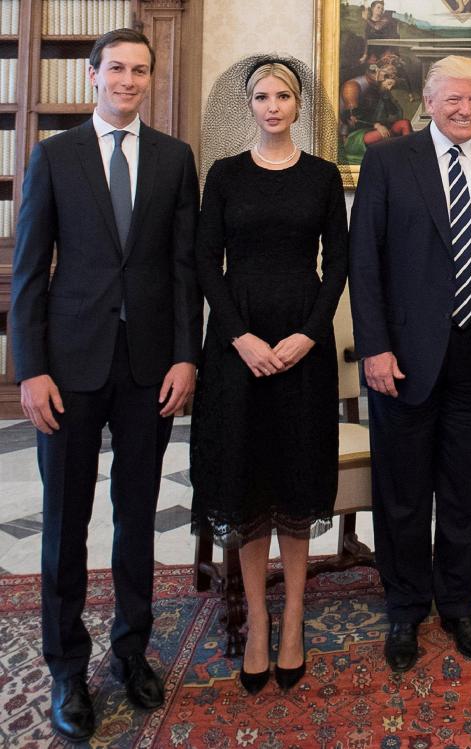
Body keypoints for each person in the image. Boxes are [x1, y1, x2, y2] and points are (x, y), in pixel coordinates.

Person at [10, 29, 201, 741]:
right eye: (115, 68)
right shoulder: (54, 157)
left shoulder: (175, 159)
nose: (128, 80)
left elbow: (184, 269)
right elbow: (30, 270)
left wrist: (187, 357)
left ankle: (131, 649)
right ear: (93, 76)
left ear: (151, 78)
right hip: (69, 366)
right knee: (64, 522)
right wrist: (30, 367)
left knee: (137, 515)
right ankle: (66, 666)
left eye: (139, 70)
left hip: (149, 365)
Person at [349, 55, 471, 672]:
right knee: (402, 492)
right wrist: (373, 346)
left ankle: (459, 605)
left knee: (465, 490)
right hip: (401, 358)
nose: (464, 111)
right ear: (427, 102)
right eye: (452, 100)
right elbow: (365, 264)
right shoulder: (387, 162)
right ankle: (405, 608)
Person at [190, 59, 348, 693]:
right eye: (262, 95)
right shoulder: (223, 176)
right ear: (248, 104)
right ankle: (258, 622)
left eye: (284, 95)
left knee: (295, 476)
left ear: (299, 103)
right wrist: (241, 336)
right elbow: (205, 262)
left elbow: (336, 261)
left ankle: (294, 622)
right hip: (238, 347)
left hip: (304, 345)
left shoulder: (323, 176)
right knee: (246, 479)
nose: (274, 105)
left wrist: (308, 334)